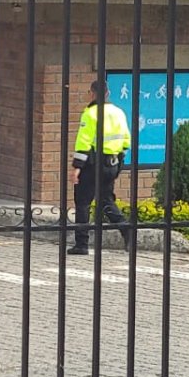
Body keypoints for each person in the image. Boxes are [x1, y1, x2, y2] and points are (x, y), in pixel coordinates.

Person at [69, 80, 132, 256]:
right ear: (107, 93)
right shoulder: (118, 112)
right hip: (112, 163)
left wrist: (77, 167)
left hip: (92, 164)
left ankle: (81, 244)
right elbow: (126, 140)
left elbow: (84, 141)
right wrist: (118, 161)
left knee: (83, 202)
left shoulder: (91, 113)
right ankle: (126, 229)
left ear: (93, 93)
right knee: (105, 201)